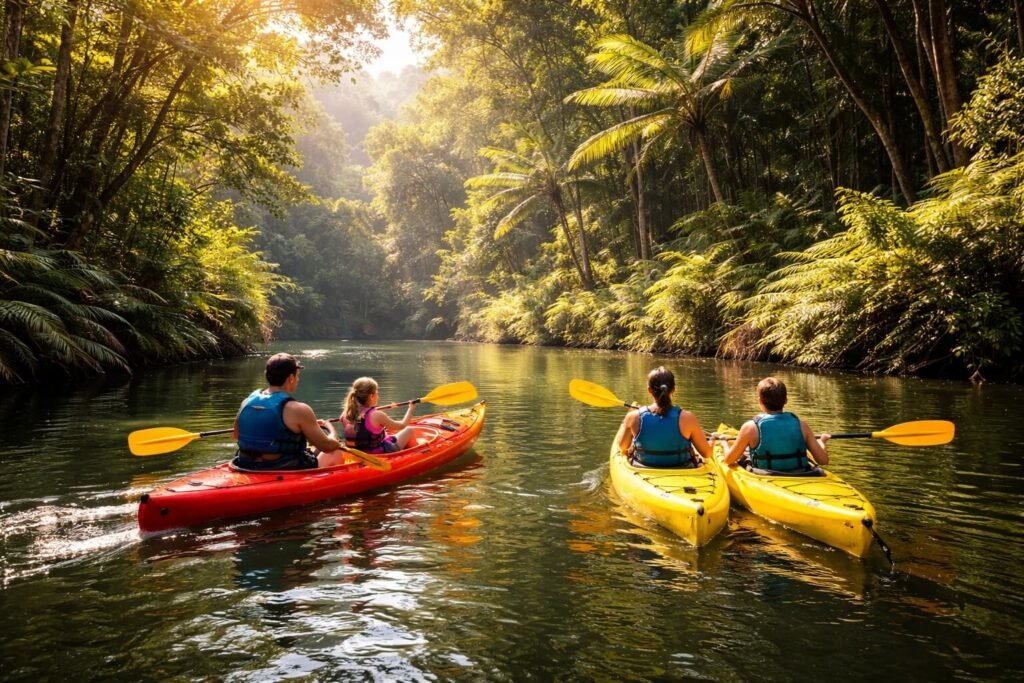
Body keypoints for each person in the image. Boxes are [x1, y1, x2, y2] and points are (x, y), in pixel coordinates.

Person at [233, 352, 343, 470]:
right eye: (297, 375)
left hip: (245, 464)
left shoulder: (247, 402)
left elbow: (236, 435)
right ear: (291, 378)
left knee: (310, 449)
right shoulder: (298, 409)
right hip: (281, 467)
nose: (298, 379)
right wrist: (331, 430)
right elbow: (327, 446)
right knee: (335, 452)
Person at [720, 376, 830, 472]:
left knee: (744, 456)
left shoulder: (750, 427)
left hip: (764, 475)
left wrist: (724, 443)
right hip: (801, 473)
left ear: (760, 401)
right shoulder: (802, 426)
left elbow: (729, 460)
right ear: (786, 400)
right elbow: (823, 460)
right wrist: (822, 442)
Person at [616, 366, 713, 468]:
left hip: (643, 468)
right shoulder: (688, 418)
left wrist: (625, 424)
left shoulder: (633, 417)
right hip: (683, 469)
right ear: (673, 390)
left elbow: (622, 447)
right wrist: (713, 440)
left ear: (649, 390)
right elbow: (707, 454)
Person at [340, 377, 416, 454]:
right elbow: (401, 425)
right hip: (379, 454)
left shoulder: (345, 414)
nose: (378, 395)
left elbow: (360, 427)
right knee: (409, 430)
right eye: (377, 392)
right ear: (371, 396)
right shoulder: (377, 415)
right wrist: (410, 409)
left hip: (357, 454)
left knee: (384, 432)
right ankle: (418, 454)